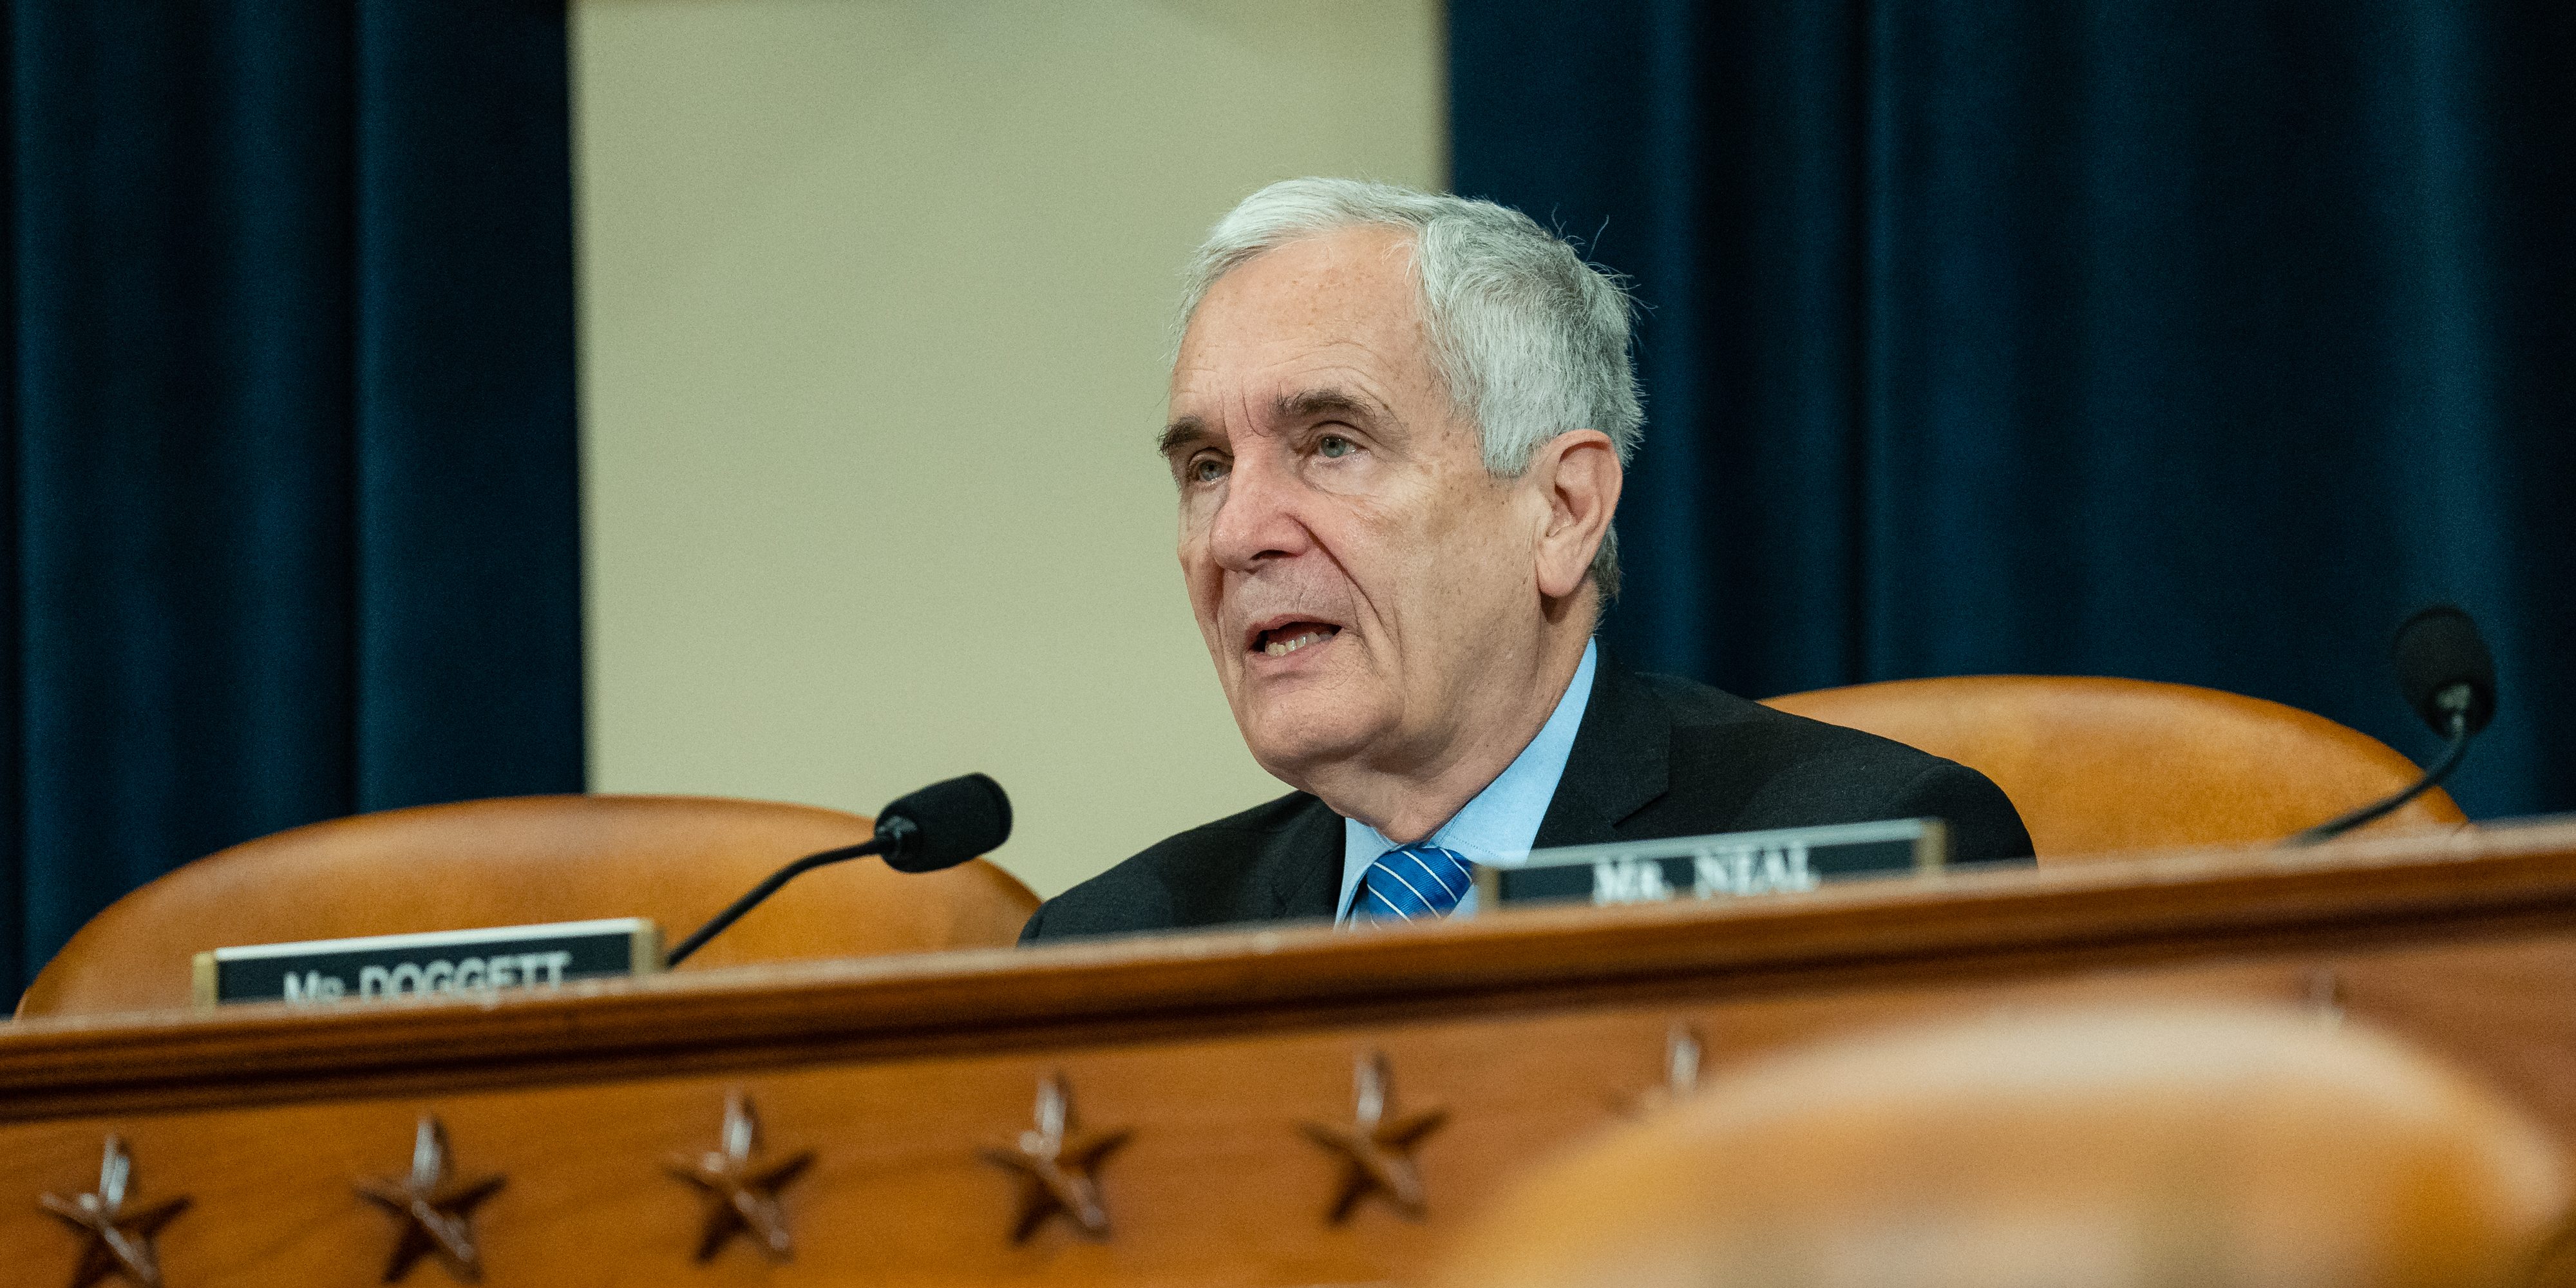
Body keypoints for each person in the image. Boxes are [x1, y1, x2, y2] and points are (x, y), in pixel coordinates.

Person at [1019, 179, 2030, 942]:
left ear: (1562, 510)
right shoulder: (1115, 948)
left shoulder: (1866, 861)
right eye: (1205, 467)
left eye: (1333, 444)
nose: (1241, 533)